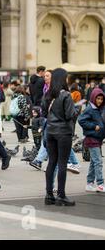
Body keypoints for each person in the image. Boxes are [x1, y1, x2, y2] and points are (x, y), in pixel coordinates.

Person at [42, 68, 78, 206]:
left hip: (50, 131)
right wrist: (77, 111)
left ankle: (49, 195)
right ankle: (61, 195)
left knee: (52, 162)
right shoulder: (66, 95)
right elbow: (70, 115)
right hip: (63, 133)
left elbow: (44, 113)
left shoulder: (48, 94)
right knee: (62, 163)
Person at [78, 88, 105, 193]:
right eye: (98, 98)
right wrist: (94, 126)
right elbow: (81, 120)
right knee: (98, 161)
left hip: (97, 138)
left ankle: (89, 184)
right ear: (94, 98)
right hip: (91, 138)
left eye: (101, 99)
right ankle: (100, 184)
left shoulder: (99, 108)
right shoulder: (90, 109)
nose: (100, 101)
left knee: (94, 162)